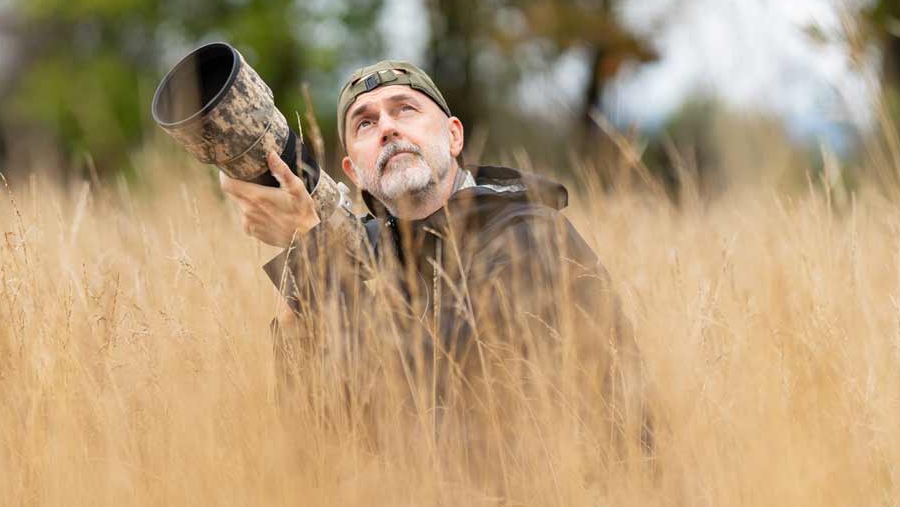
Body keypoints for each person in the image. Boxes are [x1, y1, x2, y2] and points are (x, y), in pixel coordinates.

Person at [219, 60, 646, 449]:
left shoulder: (529, 231)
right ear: (352, 170)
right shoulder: (369, 254)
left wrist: (315, 254)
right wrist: (299, 257)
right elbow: (311, 426)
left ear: (454, 136)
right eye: (364, 123)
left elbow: (443, 404)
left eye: (405, 109)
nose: (387, 127)